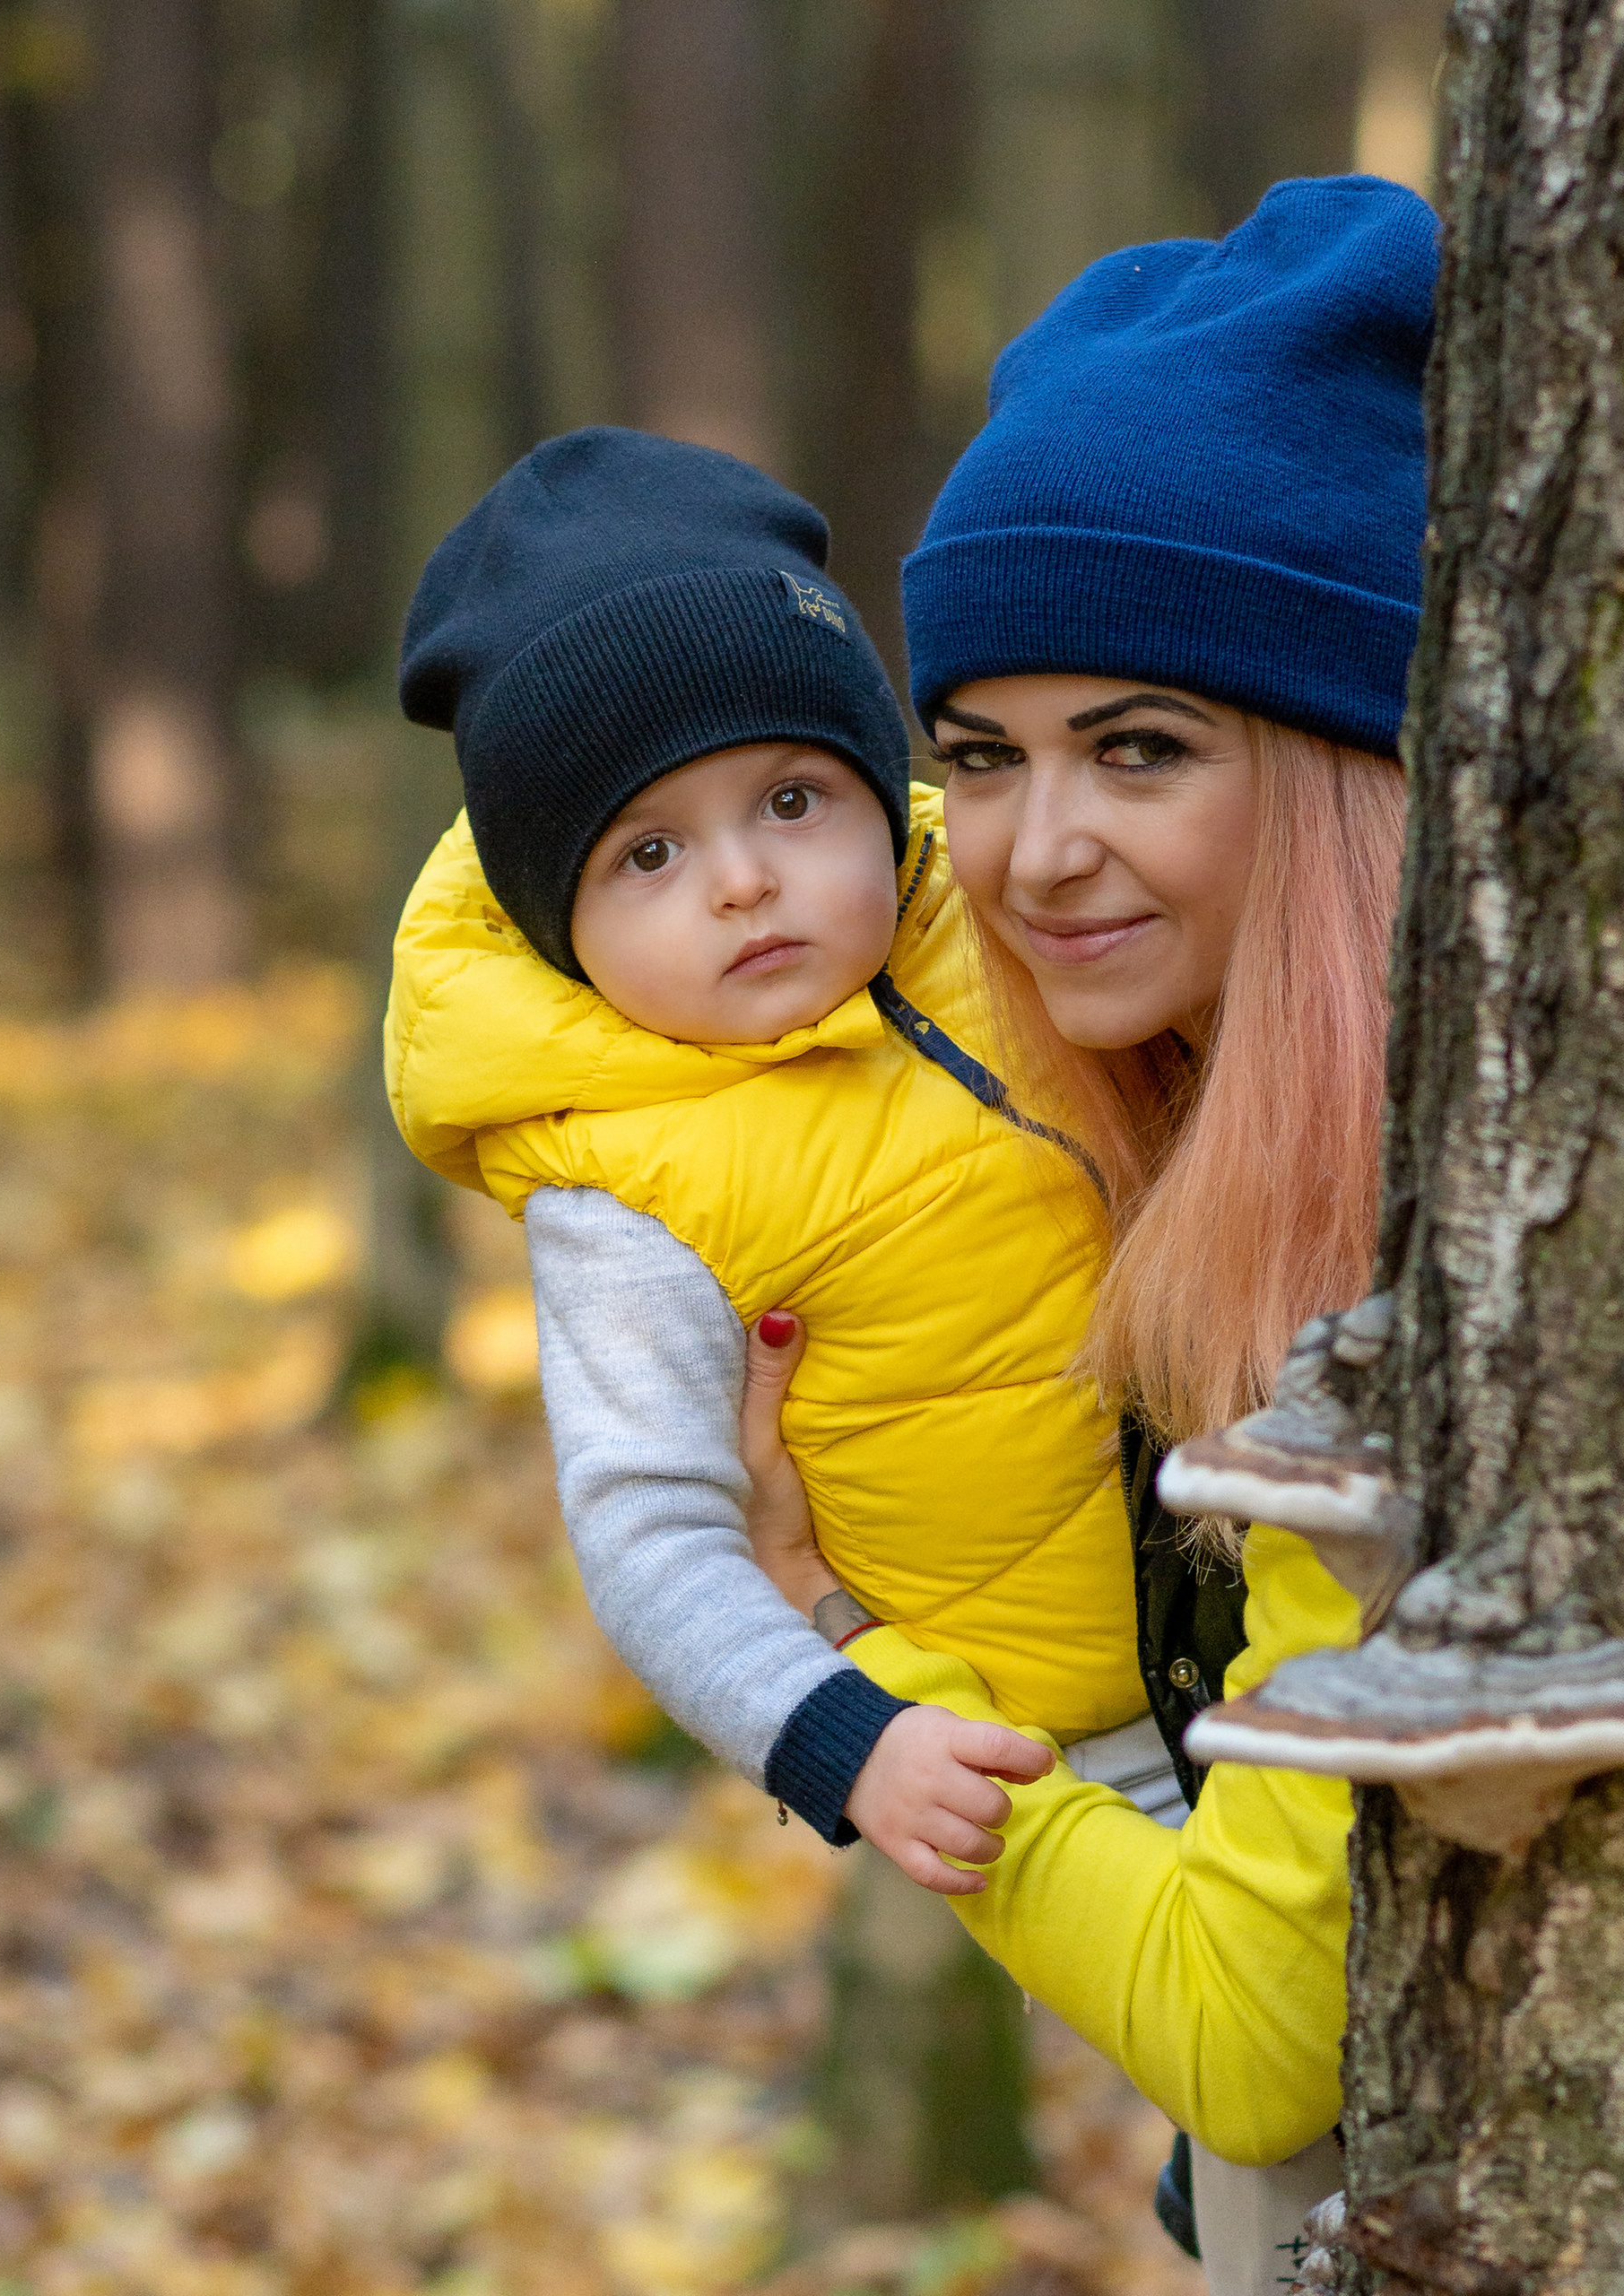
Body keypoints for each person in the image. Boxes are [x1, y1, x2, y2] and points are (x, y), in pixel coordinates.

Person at [734, 173, 1437, 2295]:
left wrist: (866, 1674)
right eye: (978, 758)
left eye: (1138, 749)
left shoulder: (1374, 1282)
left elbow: (1241, 2034)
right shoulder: (1136, 1178)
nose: (1034, 853)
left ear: (1339, 768)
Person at [388, 427, 1210, 1894]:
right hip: (1042, 1740)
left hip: (1276, 1614)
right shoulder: (625, 1183)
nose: (746, 880)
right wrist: (847, 1739)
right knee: (1263, 2074)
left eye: (789, 800)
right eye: (649, 855)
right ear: (551, 928)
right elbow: (651, 1533)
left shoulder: (1013, 916)